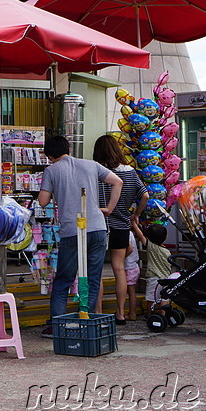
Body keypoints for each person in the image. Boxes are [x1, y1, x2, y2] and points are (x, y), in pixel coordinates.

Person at [37, 135, 123, 338]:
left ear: (50, 155)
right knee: (93, 278)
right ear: (68, 148)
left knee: (64, 279)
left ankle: (56, 324)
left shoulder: (52, 170)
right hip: (97, 228)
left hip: (72, 230)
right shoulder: (91, 165)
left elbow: (42, 201)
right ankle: (88, 321)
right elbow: (116, 182)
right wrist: (109, 209)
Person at [92, 135, 149, 324]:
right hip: (121, 226)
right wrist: (136, 215)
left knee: (97, 270)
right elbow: (145, 195)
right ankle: (120, 313)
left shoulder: (97, 172)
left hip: (98, 225)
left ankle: (98, 312)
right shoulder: (130, 173)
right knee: (120, 269)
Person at [134, 221, 172, 314]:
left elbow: (141, 237)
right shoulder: (167, 252)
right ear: (165, 237)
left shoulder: (151, 247)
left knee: (151, 299)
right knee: (164, 298)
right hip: (166, 278)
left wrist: (134, 225)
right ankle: (164, 315)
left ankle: (150, 314)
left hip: (154, 278)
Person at [124, 230, 141, 321]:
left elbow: (130, 248)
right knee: (131, 292)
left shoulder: (126, 233)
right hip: (134, 266)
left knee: (130, 292)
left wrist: (120, 257)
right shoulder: (130, 233)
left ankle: (132, 313)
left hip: (129, 266)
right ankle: (132, 313)